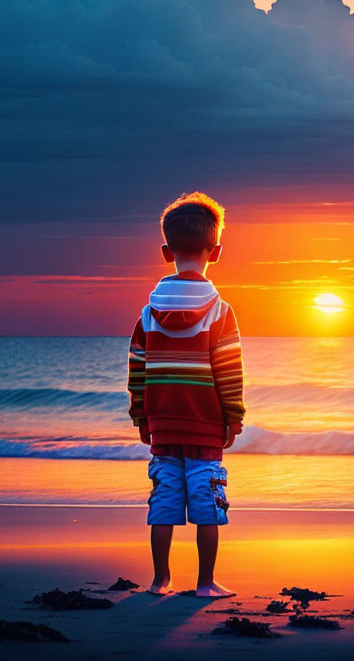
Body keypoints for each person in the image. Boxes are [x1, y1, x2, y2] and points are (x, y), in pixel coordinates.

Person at [127, 191, 245, 598]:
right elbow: (229, 370)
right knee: (207, 503)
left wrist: (141, 416)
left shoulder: (147, 311)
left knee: (163, 503)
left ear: (165, 251)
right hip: (205, 425)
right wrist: (234, 416)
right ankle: (205, 583)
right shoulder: (220, 309)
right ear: (216, 252)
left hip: (163, 424)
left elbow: (137, 369)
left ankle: (160, 580)